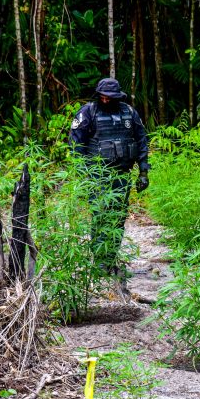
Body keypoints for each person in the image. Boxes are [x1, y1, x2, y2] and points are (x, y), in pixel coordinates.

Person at [69, 78, 150, 292]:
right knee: (100, 216)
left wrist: (143, 171)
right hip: (97, 176)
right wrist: (83, 177)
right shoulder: (88, 112)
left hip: (121, 175)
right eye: (102, 95)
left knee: (118, 218)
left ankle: (110, 257)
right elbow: (76, 145)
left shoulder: (129, 113)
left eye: (109, 97)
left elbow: (142, 140)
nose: (105, 99)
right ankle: (100, 262)